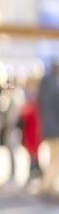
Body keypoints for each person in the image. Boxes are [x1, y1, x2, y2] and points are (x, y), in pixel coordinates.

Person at [39, 61, 59, 198]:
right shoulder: (54, 87)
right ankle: (46, 185)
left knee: (53, 157)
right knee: (56, 159)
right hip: (55, 128)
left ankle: (50, 186)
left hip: (47, 127)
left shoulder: (44, 87)